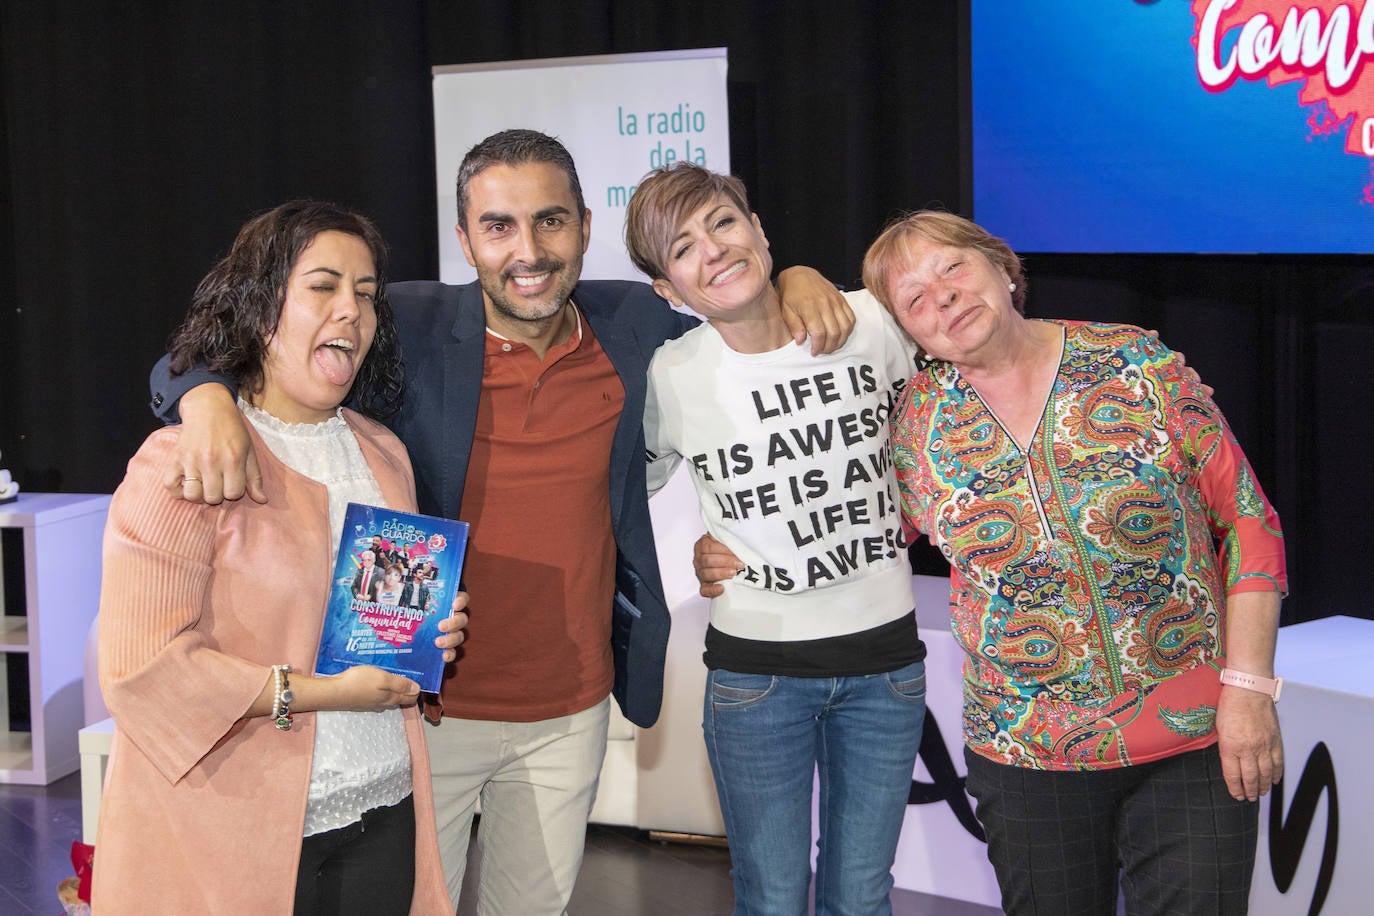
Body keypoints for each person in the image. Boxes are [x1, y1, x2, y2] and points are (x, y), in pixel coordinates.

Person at [146, 129, 856, 913]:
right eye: (499, 225)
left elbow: (741, 316)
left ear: (585, 225)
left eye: (551, 221)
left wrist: (796, 275)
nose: (529, 249)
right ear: (464, 239)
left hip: (570, 711)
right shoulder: (403, 321)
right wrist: (203, 396)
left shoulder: (633, 324)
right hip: (421, 710)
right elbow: (210, 343)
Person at [860, 211, 1287, 915]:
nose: (942, 297)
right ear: (909, 333)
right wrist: (735, 548)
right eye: (913, 298)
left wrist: (1249, 688)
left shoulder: (1136, 364)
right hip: (1028, 754)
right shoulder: (913, 430)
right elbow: (854, 537)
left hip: (1198, 734)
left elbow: (1248, 523)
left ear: (1002, 268)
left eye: (953, 268)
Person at [96, 201, 468, 914]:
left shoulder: (383, 453)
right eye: (323, 286)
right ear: (260, 307)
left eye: (364, 294)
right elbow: (143, 673)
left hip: (383, 811)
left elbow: (381, 621)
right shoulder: (188, 459)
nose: (351, 311)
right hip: (234, 833)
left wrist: (430, 629)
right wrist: (330, 692)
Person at [625, 163, 927, 914]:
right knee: (772, 900)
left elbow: (954, 424)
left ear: (758, 230)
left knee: (862, 898)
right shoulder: (672, 374)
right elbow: (628, 489)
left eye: (723, 223)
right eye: (683, 249)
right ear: (669, 291)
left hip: (885, 669)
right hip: (755, 681)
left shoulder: (872, 322)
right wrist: (703, 544)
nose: (714, 251)